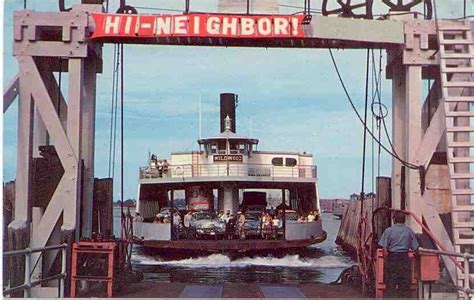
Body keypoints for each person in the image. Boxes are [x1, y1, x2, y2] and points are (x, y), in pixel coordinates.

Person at [378, 211, 419, 298]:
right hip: (404, 259)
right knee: (404, 286)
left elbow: (384, 248)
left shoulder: (388, 231)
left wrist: (387, 260)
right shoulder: (409, 231)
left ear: (394, 219)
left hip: (392, 258)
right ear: (404, 220)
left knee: (390, 285)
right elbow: (416, 248)